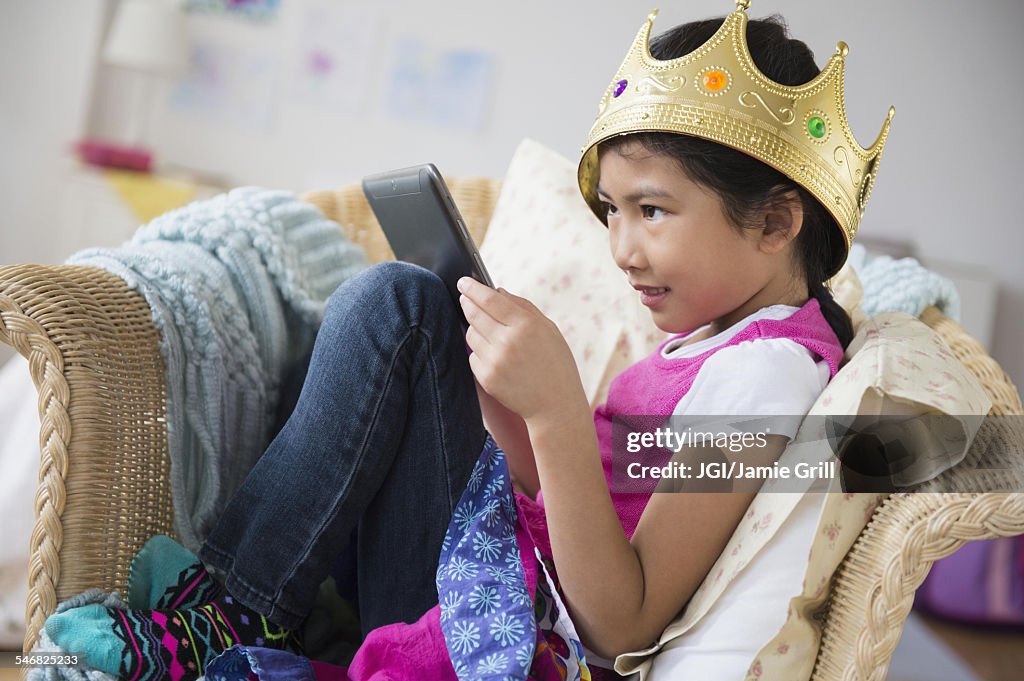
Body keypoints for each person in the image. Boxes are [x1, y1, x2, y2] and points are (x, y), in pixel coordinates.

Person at [45, 2, 893, 679]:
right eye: (614, 212)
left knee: (401, 305)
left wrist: (559, 407)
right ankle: (248, 600)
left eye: (654, 211)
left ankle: (231, 609)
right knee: (396, 326)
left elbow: (619, 618)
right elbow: (600, 496)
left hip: (503, 636)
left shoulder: (767, 381)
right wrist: (510, 411)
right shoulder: (718, 345)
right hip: (493, 573)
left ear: (778, 220)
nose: (622, 249)